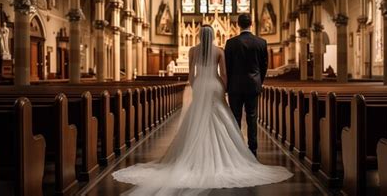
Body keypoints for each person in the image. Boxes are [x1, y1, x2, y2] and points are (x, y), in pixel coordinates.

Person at [112, 25, 292, 193]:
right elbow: (223, 75)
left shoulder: (193, 51)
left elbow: (191, 74)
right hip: (214, 85)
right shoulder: (219, 51)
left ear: (198, 35)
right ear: (213, 36)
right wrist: (223, 89)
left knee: (197, 118)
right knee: (221, 117)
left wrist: (196, 87)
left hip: (200, 85)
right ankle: (233, 156)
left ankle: (190, 158)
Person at [225, 14, 268, 157]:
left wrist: (228, 85)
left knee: (235, 118)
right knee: (252, 117)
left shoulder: (231, 43)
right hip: (253, 85)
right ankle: (253, 150)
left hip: (235, 86)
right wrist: (258, 82)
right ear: (252, 23)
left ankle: (236, 149)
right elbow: (264, 66)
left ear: (238, 25)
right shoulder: (261, 42)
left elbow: (227, 67)